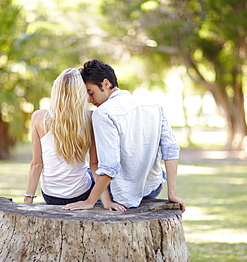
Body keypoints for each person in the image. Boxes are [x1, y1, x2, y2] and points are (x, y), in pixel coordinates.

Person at [62, 60, 185, 212]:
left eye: (90, 92)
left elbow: (110, 165)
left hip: (120, 195)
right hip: (152, 188)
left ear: (106, 83)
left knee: (82, 174)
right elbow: (170, 149)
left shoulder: (103, 113)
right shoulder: (153, 106)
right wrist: (172, 193)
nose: (89, 99)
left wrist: (90, 201)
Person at [23, 68, 121, 209]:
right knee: (95, 172)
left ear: (56, 91)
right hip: (81, 193)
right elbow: (95, 165)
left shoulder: (39, 117)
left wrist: (28, 200)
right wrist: (107, 201)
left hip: (51, 196)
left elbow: (37, 164)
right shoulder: (91, 117)